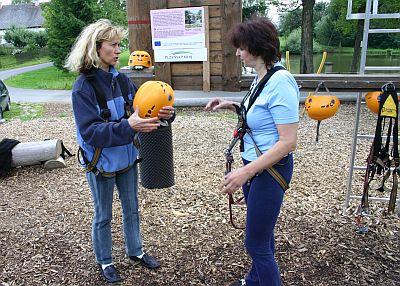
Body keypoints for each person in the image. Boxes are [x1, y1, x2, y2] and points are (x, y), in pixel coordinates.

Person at [65, 19, 175, 284]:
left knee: (132, 208)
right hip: (100, 164)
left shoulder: (122, 81)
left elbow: (143, 110)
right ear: (96, 48)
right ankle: (105, 261)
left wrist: (165, 115)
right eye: (113, 45)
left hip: (126, 160)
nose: (118, 50)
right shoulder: (83, 88)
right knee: (103, 215)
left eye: (119, 45)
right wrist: (129, 125)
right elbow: (90, 132)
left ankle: (135, 251)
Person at [205, 18, 299, 286]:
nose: (237, 52)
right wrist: (232, 105)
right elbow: (261, 113)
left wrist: (244, 173)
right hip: (256, 169)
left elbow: (287, 142)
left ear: (258, 47)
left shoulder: (281, 81)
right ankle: (254, 281)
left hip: (269, 171)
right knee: (263, 236)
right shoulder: (262, 78)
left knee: (255, 244)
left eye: (241, 47)